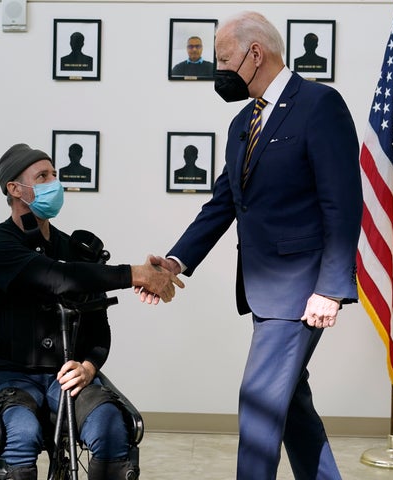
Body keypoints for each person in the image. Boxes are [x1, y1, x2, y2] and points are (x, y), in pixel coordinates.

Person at [143, 11, 362, 480]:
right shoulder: (244, 120)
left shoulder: (320, 105)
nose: (217, 70)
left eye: (223, 59)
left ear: (255, 53)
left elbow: (343, 204)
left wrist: (331, 287)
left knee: (260, 403)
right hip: (263, 287)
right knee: (291, 405)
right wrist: (176, 262)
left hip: (301, 289)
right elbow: (225, 201)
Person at [0, 143, 184, 480]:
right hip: (8, 374)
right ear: (14, 189)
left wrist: (88, 367)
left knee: (111, 425)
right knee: (21, 432)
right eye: (42, 176)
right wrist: (136, 274)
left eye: (54, 175)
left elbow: (99, 329)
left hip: (66, 375)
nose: (53, 183)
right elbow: (57, 278)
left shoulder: (74, 249)